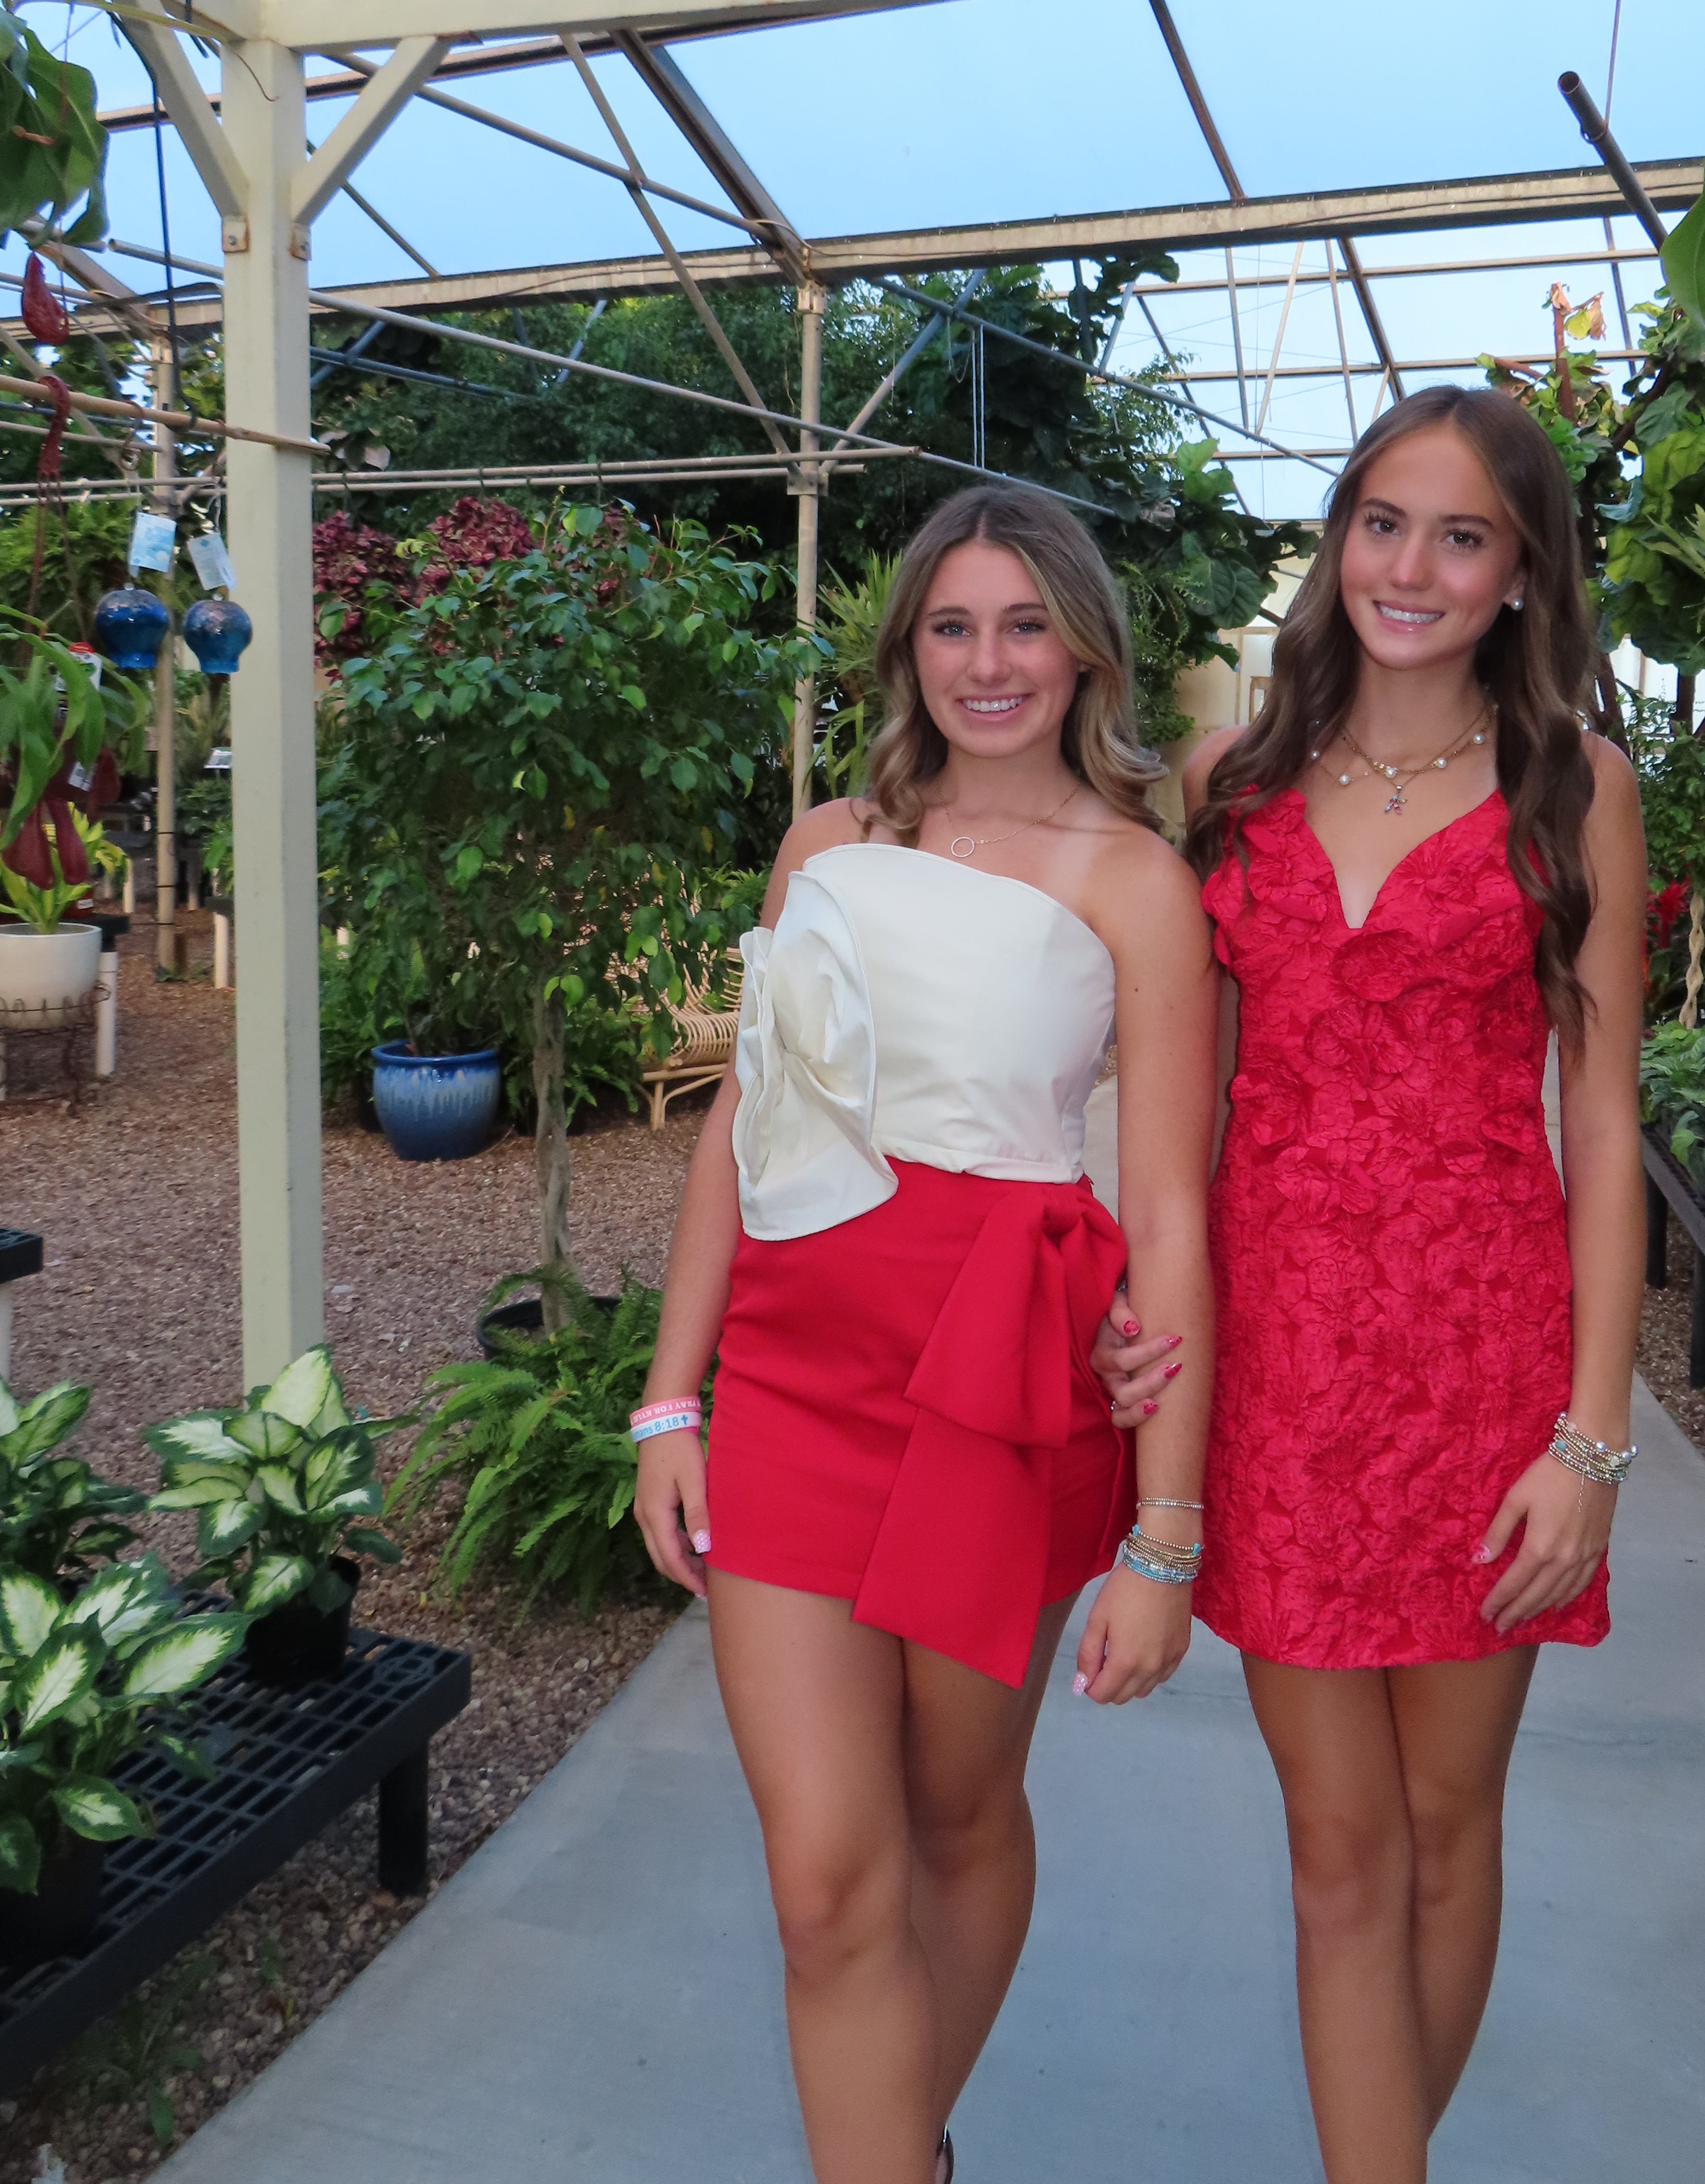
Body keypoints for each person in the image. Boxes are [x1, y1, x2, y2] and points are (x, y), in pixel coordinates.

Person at [635, 481, 1216, 2184]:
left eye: (1026, 625)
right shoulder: (829, 843)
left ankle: (899, 2149)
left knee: (959, 1814)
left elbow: (1172, 1210)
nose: (990, 662)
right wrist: (670, 1401)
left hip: (999, 1386)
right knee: (826, 1878)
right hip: (795, 1384)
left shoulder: (1141, 883)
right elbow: (746, 1118)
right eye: (954, 627)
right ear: (909, 651)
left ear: (1086, 648)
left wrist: (1166, 1536)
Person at [1098, 385, 1646, 2183]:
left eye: (1462, 535)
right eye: (1383, 523)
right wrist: (1140, 1324)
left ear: (1521, 573)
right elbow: (1178, 1123)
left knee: (1444, 1826)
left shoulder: (1577, 789)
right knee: (1338, 1851)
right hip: (1276, 1376)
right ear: (1338, 542)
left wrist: (1592, 1438)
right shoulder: (1230, 786)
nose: (1412, 568)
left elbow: (1604, 1124)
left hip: (1483, 1372)